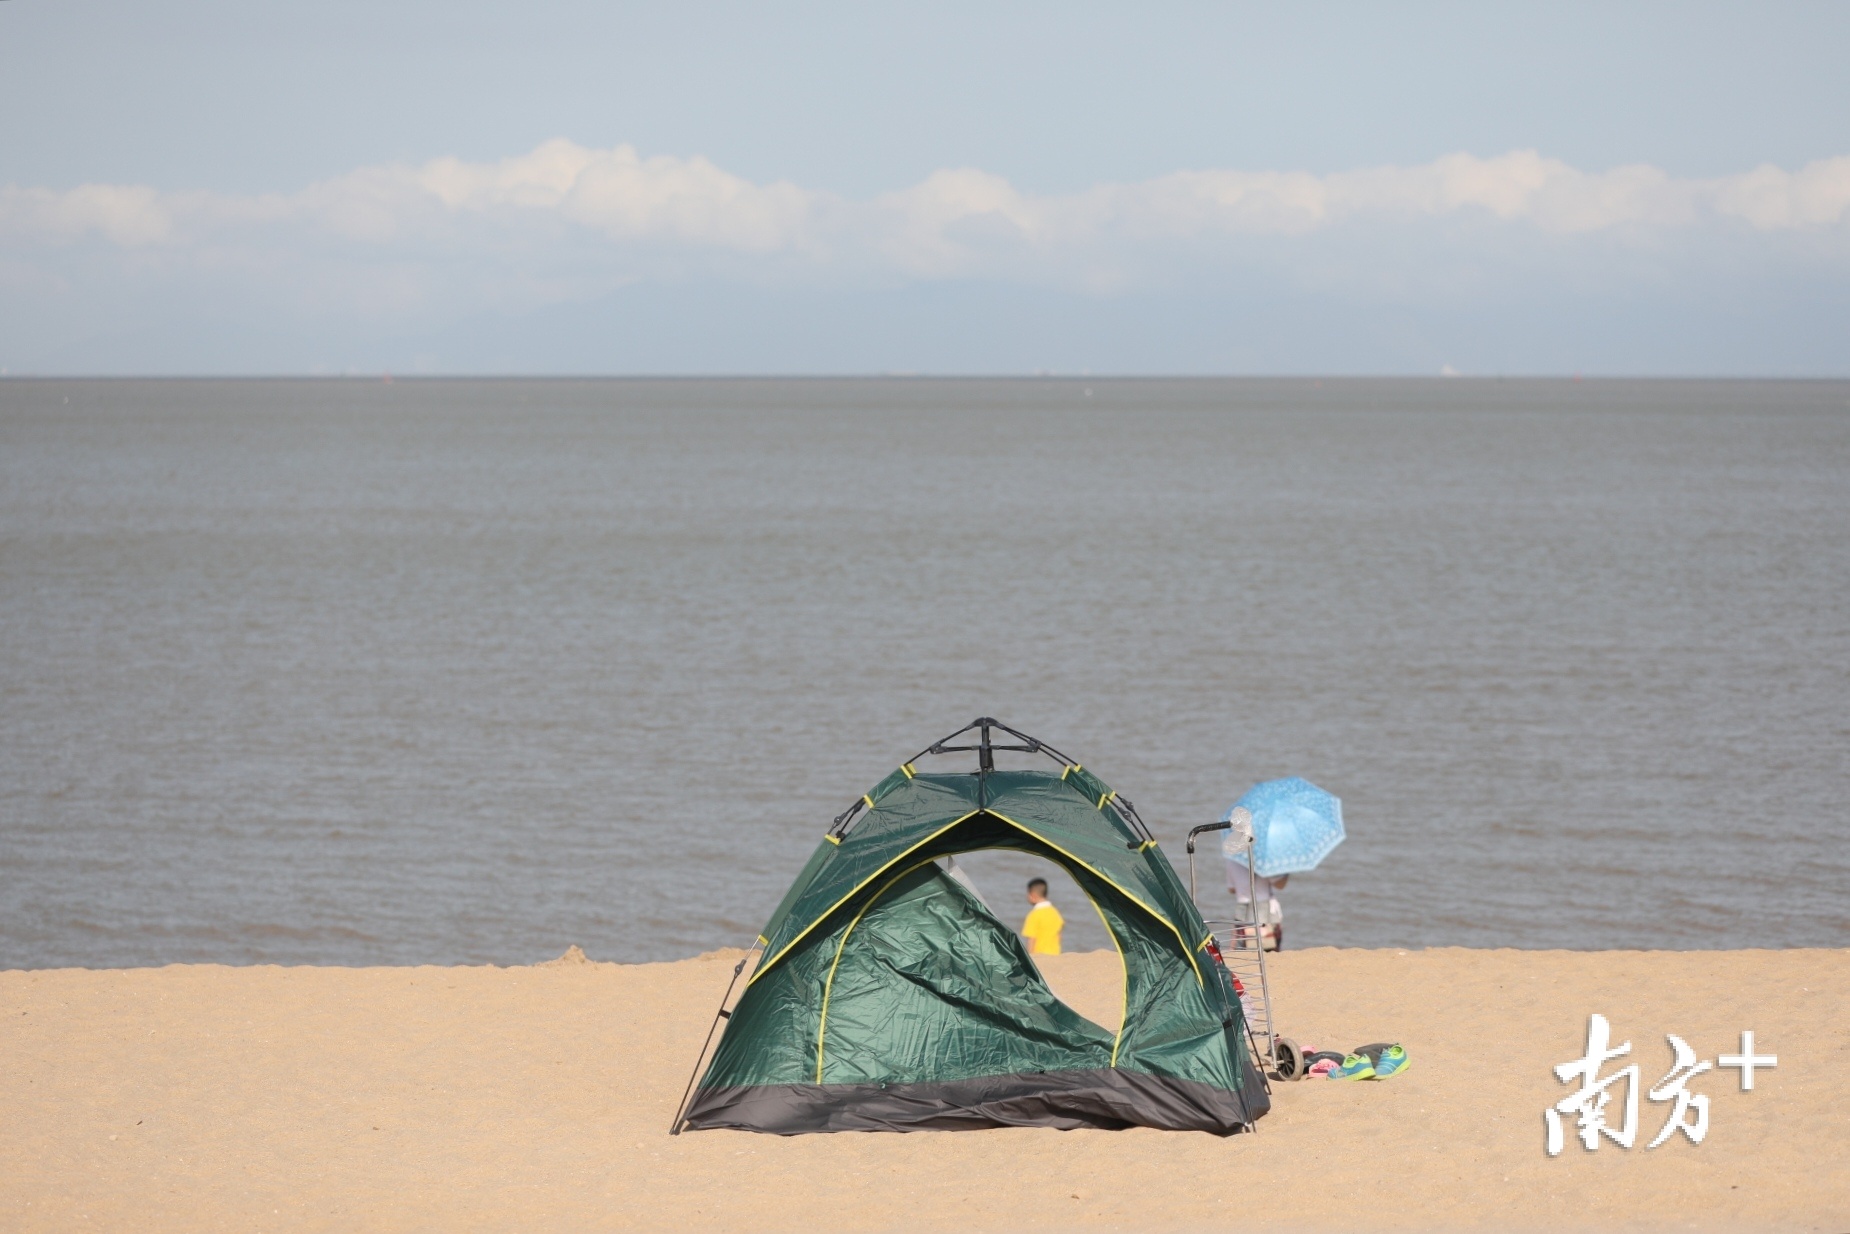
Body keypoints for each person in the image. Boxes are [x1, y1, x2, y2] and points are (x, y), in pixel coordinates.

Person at [1227, 859, 1288, 951]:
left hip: (1242, 907)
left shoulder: (1232, 859)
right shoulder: (1262, 858)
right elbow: (1279, 885)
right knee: (1267, 949)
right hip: (1263, 907)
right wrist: (1286, 873)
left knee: (1240, 948)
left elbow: (1231, 889)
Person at [1020, 877, 1064, 955]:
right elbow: (1059, 936)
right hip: (1055, 954)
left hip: (1039, 954)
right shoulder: (1055, 913)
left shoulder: (1034, 915)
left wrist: (1030, 957)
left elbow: (1031, 939)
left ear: (1032, 895)